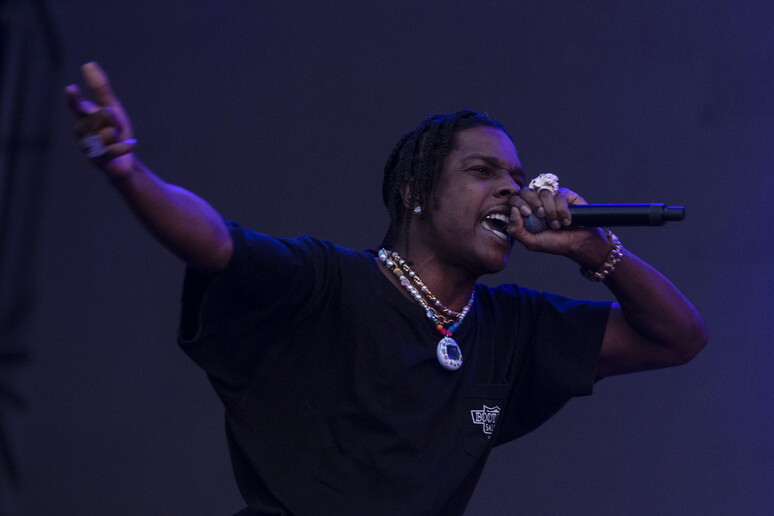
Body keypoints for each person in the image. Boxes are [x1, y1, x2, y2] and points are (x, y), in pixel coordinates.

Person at [66, 62, 707, 516]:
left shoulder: (515, 327)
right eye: (483, 172)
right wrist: (129, 172)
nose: (510, 190)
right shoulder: (329, 282)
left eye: (516, 178)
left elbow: (678, 338)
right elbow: (214, 241)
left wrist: (593, 249)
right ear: (415, 193)